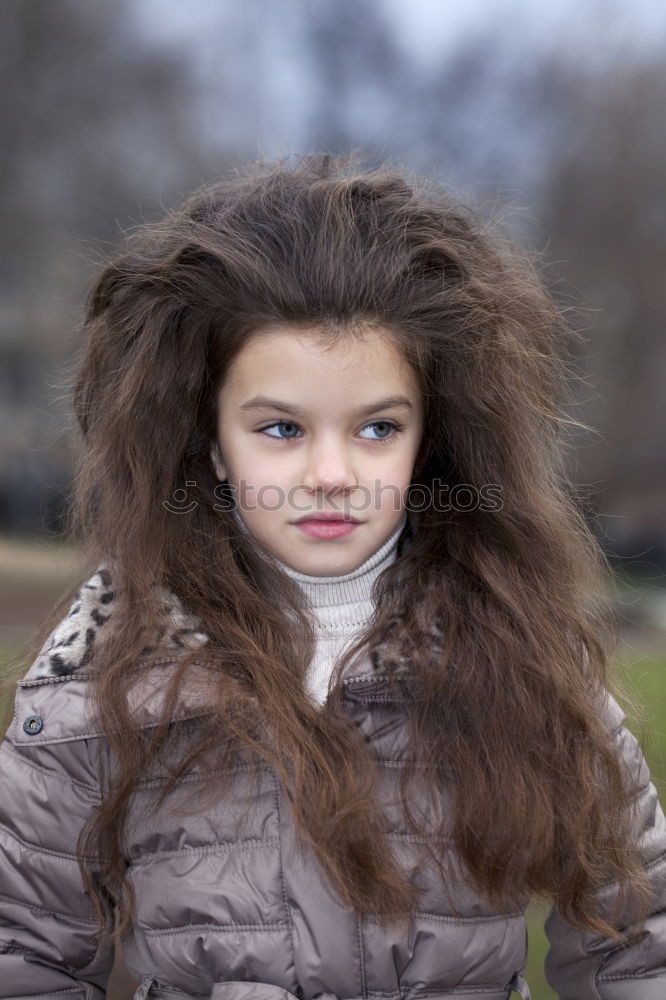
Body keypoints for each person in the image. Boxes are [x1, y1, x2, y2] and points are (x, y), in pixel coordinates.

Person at [0, 152, 664, 1000]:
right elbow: (24, 958)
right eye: (281, 428)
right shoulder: (93, 691)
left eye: (376, 429)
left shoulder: (527, 663)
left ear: (432, 438)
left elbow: (641, 954)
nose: (332, 473)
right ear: (207, 438)